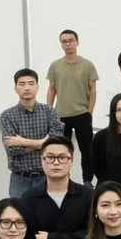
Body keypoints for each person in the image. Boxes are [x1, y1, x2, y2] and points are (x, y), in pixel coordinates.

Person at [0, 69, 62, 200]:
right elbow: (13, 149)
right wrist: (43, 143)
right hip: (20, 179)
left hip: (47, 177)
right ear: (15, 88)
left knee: (48, 218)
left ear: (37, 87)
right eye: (22, 84)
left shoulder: (50, 112)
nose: (27, 88)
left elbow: (56, 144)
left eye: (31, 83)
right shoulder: (7, 116)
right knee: (19, 217)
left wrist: (22, 142)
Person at [43, 29, 100, 176]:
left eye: (71, 40)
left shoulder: (87, 65)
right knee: (61, 151)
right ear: (61, 45)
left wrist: (90, 112)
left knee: (87, 150)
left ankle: (87, 181)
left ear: (77, 42)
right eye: (64, 41)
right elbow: (51, 89)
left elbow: (92, 90)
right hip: (61, 115)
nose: (68, 44)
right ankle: (63, 178)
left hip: (82, 113)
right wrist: (49, 112)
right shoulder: (55, 65)